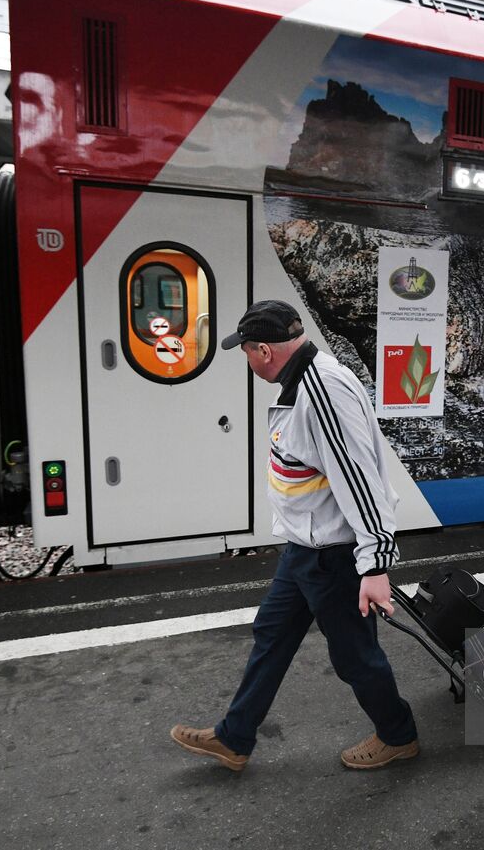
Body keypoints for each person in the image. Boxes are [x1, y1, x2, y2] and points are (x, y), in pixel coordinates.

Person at [171, 300, 418, 771]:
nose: (245, 360)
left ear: (264, 350)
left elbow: (359, 481)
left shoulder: (320, 393)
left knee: (356, 658)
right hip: (304, 549)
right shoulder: (302, 379)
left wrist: (376, 566)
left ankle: (398, 735)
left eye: (245, 352)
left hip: (334, 556)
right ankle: (235, 738)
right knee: (272, 633)